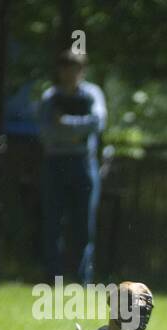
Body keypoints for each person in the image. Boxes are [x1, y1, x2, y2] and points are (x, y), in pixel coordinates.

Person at [38, 49, 106, 283]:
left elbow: (97, 123)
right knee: (52, 221)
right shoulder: (50, 96)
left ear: (82, 70)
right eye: (66, 68)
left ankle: (81, 278)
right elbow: (46, 133)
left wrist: (65, 124)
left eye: (75, 68)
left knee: (83, 224)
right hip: (55, 163)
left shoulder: (92, 94)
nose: (70, 73)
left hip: (83, 164)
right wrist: (77, 133)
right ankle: (52, 278)